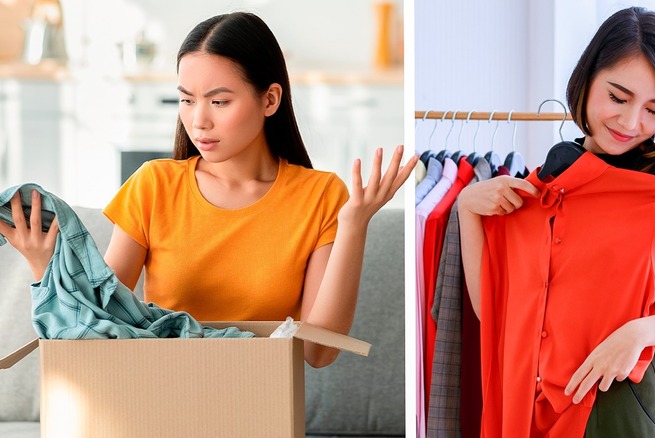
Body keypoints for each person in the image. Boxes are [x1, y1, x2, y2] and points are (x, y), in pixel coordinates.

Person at [0, 12, 416, 368]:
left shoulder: (321, 195)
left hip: (258, 404)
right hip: (159, 401)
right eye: (186, 100)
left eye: (218, 102)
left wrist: (355, 225)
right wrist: (43, 268)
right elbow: (102, 321)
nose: (198, 121)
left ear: (269, 100)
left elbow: (317, 352)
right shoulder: (154, 185)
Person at [457, 6, 655, 437]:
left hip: (623, 404)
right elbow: (496, 316)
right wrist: (468, 209)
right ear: (587, 79)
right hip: (536, 410)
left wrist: (641, 332)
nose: (632, 122)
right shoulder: (542, 187)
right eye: (618, 97)